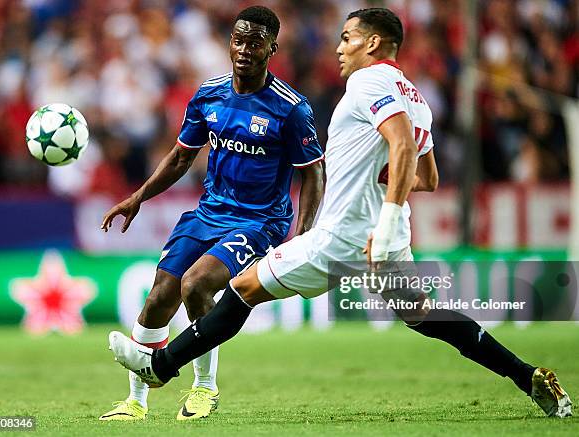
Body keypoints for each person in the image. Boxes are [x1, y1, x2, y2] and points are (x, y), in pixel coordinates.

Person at [108, 8, 572, 419]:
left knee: (242, 288)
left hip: (344, 235)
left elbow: (402, 146)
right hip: (381, 238)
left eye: (348, 38)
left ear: (372, 42)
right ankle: (524, 374)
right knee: (425, 315)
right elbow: (425, 176)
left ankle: (162, 366)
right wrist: (381, 199)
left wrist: (382, 218)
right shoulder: (415, 95)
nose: (339, 48)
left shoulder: (368, 80)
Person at [99, 6, 324, 421]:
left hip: (259, 222)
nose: (244, 49)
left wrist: (304, 235)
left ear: (272, 48)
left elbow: (313, 173)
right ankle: (135, 403)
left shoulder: (291, 109)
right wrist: (138, 197)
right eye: (238, 40)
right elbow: (181, 158)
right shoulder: (209, 94)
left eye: (255, 42)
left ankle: (205, 389)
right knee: (159, 296)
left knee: (196, 285)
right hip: (207, 212)